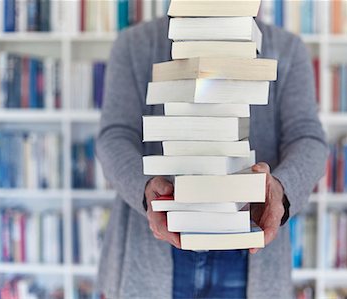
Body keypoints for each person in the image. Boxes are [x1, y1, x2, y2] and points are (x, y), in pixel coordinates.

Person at [96, 16, 327, 299]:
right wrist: (145, 188)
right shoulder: (133, 45)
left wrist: (281, 188)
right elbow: (114, 136)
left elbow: (307, 138)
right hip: (153, 249)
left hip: (249, 251)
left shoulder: (287, 48)